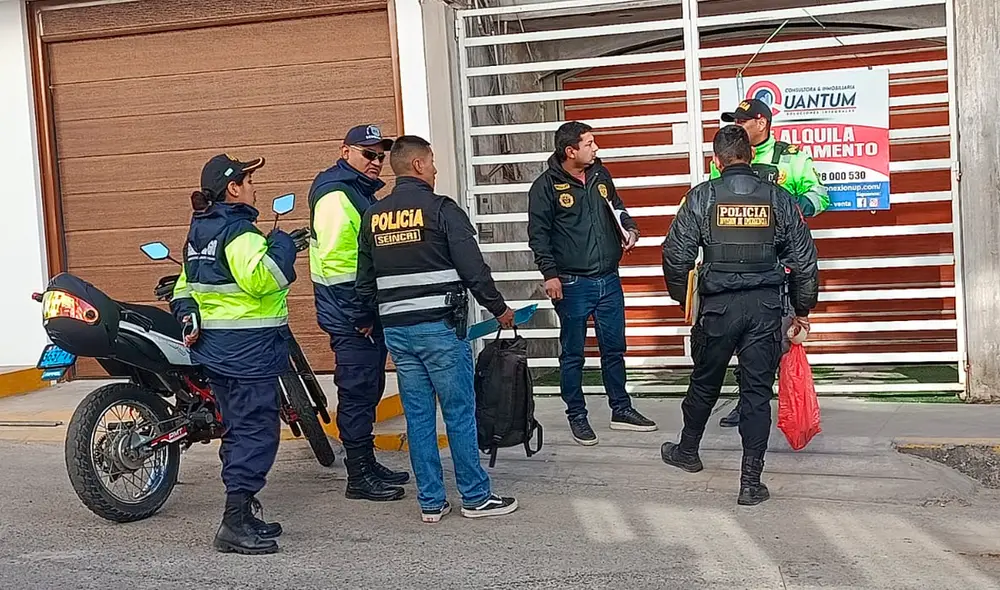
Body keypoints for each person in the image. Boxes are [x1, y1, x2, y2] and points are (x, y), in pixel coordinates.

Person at [355, 135, 519, 523]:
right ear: (417, 165)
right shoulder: (440, 209)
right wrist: (499, 309)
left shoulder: (374, 216)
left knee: (419, 417)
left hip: (398, 333)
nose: (435, 169)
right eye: (431, 162)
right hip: (440, 330)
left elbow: (365, 279)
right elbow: (473, 269)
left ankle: (431, 502)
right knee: (460, 412)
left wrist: (366, 320)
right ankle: (476, 497)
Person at [659, 125, 819, 506]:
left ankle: (688, 450)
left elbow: (675, 255)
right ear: (749, 154)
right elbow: (803, 260)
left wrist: (687, 302)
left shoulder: (702, 197)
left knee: (704, 382)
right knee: (757, 394)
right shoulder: (779, 198)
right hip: (765, 308)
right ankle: (750, 482)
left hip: (717, 307)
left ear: (716, 160)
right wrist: (802, 309)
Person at [171, 154, 303, 554]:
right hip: (250, 354)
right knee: (257, 433)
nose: (253, 187)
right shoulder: (241, 232)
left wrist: (189, 314)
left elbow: (182, 290)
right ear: (233, 188)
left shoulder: (199, 233)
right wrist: (281, 245)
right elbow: (266, 279)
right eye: (248, 181)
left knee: (237, 431)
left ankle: (243, 514)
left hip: (220, 355)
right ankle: (233, 523)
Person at [526, 121, 657, 447]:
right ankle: (577, 415)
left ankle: (621, 409)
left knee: (614, 348)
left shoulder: (600, 175)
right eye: (589, 144)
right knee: (573, 354)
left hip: (608, 279)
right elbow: (538, 236)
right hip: (572, 283)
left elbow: (617, 207)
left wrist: (630, 229)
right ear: (570, 151)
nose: (595, 149)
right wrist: (550, 275)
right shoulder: (545, 187)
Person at [712, 98, 830, 428]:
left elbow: (821, 195)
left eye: (742, 122)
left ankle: (782, 401)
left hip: (781, 266)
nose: (735, 128)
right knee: (743, 338)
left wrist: (792, 206)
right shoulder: (723, 159)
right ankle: (749, 400)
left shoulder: (792, 157)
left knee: (779, 338)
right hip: (739, 266)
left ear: (761, 123)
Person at [307, 124, 409, 502]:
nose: (376, 162)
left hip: (360, 312)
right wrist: (360, 316)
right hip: (352, 315)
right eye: (368, 154)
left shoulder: (354, 191)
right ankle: (359, 475)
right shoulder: (337, 195)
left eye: (380, 156)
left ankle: (366, 463)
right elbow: (339, 266)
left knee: (367, 390)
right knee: (356, 392)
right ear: (345, 151)